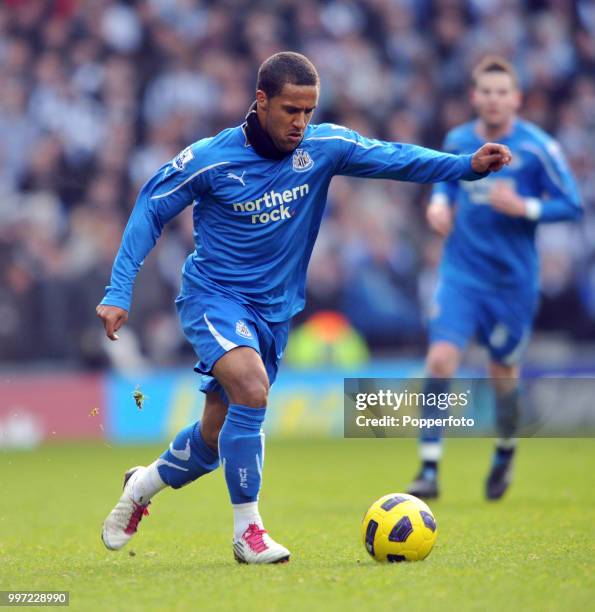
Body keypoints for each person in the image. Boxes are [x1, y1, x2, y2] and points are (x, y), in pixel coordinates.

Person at [97, 51, 511, 564]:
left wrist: (465, 167)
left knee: (213, 435)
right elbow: (149, 208)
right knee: (252, 386)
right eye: (291, 110)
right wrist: (119, 291)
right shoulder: (211, 158)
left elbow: (395, 157)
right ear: (262, 100)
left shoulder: (324, 147)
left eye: (309, 111)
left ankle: (141, 487)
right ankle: (248, 534)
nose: (301, 122)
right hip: (214, 298)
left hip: (274, 311)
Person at [407, 56, 582, 501]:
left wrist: (527, 208)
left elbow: (572, 204)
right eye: (485, 91)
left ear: (516, 99)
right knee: (440, 361)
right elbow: (445, 181)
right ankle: (428, 468)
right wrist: (438, 204)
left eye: (502, 92)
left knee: (503, 374)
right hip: (461, 275)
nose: (493, 99)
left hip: (512, 283)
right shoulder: (458, 139)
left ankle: (505, 449)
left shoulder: (539, 147)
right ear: (474, 97)